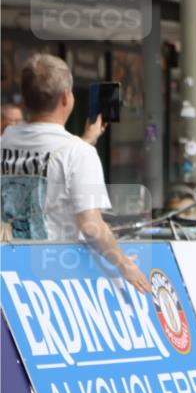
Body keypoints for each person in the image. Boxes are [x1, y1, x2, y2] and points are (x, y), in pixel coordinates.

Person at [0, 53, 151, 294]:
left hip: (8, 271)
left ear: (25, 100)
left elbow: (49, 164)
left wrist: (86, 141)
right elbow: (91, 225)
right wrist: (125, 265)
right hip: (53, 277)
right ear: (66, 98)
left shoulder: (5, 141)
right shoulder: (78, 154)